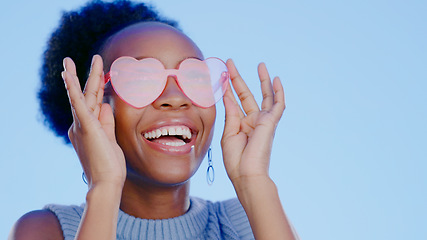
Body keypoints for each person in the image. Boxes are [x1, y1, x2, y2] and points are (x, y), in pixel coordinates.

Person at [9, 1, 298, 239]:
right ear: (90, 109)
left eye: (195, 77)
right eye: (141, 78)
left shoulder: (246, 221)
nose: (176, 97)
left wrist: (254, 182)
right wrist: (105, 186)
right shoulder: (46, 230)